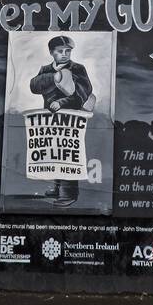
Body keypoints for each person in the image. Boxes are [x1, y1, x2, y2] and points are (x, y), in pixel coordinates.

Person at [28, 36, 94, 206]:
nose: (64, 54)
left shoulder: (78, 68)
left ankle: (68, 194)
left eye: (68, 51)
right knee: (54, 151)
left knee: (68, 154)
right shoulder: (45, 69)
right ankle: (57, 188)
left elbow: (83, 93)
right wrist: (55, 77)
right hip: (50, 117)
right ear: (52, 52)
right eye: (60, 51)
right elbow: (34, 87)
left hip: (72, 117)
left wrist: (61, 103)